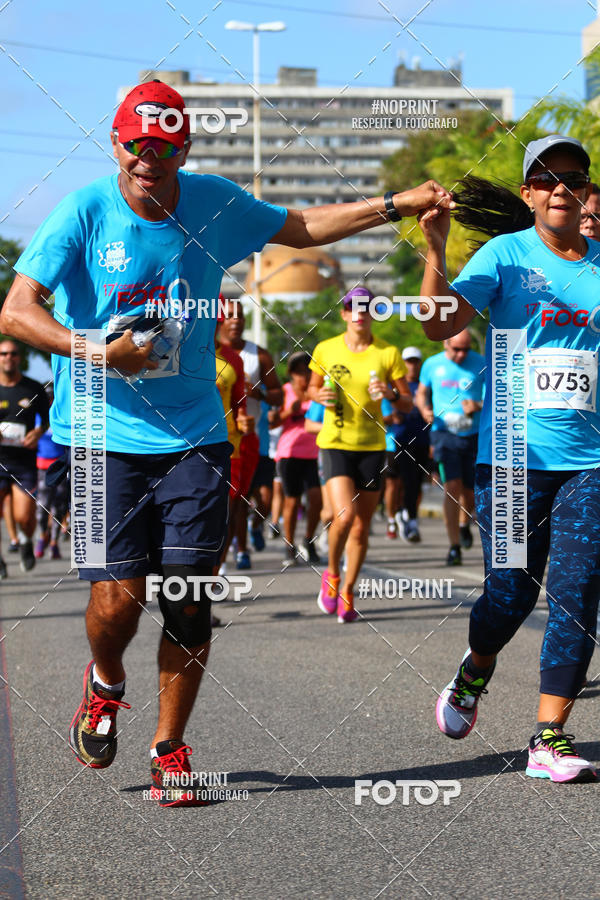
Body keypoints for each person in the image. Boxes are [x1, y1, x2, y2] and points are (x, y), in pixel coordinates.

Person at [1, 79, 453, 805]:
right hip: (100, 436)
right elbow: (17, 311)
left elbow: (301, 227)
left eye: (166, 147)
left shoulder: (213, 202)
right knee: (116, 600)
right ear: (116, 145)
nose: (150, 159)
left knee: (187, 598)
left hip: (195, 437)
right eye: (137, 145)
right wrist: (93, 349)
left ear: (185, 148)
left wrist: (395, 205)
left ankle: (169, 749)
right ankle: (105, 681)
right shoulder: (85, 210)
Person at [419, 134, 600, 782]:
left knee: (577, 593)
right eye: (547, 179)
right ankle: (475, 668)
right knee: (510, 591)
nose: (561, 188)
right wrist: (436, 249)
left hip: (590, 460)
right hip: (514, 456)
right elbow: (439, 324)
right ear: (528, 193)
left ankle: (549, 736)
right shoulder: (504, 255)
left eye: (573, 178)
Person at [308, 287, 413, 623]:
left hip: (371, 446)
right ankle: (333, 574)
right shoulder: (326, 349)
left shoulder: (388, 353)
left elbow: (407, 402)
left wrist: (391, 392)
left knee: (361, 528)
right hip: (335, 441)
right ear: (344, 314)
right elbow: (309, 388)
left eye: (366, 308)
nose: (360, 314)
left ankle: (349, 589)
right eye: (353, 308)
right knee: (344, 517)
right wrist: (319, 394)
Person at [218, 298, 283, 570]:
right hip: (220, 440)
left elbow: (278, 394)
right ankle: (238, 551)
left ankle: (253, 531)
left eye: (241, 316)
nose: (237, 320)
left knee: (259, 501)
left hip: (254, 439)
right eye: (231, 315)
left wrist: (259, 393)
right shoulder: (203, 353)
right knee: (233, 502)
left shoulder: (259, 354)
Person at [415, 330, 484, 565]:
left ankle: (465, 523)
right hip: (444, 434)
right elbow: (421, 393)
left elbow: (500, 397)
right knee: (451, 487)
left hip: (474, 434)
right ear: (445, 343)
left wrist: (478, 404)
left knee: (471, 491)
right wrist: (424, 410)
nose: (462, 354)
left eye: (466, 349)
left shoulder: (482, 363)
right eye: (456, 349)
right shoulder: (432, 364)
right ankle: (454, 546)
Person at [0, 340, 50, 577]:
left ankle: (26, 539)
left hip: (23, 461)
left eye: (13, 354)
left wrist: (38, 432)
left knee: (25, 516)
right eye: (3, 354)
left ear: (20, 357)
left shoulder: (33, 388)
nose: (8, 357)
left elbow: (49, 419)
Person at [274, 351, 321, 566]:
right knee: (292, 501)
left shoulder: (317, 393)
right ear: (291, 373)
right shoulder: (285, 392)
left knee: (316, 498)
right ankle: (289, 545)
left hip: (313, 454)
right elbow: (271, 422)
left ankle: (309, 540)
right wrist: (286, 413)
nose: (304, 376)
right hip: (289, 454)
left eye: (307, 371)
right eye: (299, 372)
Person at [381, 346, 429, 542]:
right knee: (393, 483)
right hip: (395, 442)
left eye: (415, 361)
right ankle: (392, 518)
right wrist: (390, 417)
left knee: (415, 484)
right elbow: (381, 416)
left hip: (421, 440)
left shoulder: (425, 387)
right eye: (408, 361)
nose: (412, 365)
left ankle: (410, 518)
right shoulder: (391, 386)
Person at [35, 386, 69, 560]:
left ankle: (54, 543)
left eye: (52, 398)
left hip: (61, 466)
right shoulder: (37, 416)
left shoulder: (64, 414)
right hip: (42, 466)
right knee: (42, 508)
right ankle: (43, 536)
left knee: (59, 506)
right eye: (47, 399)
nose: (50, 402)